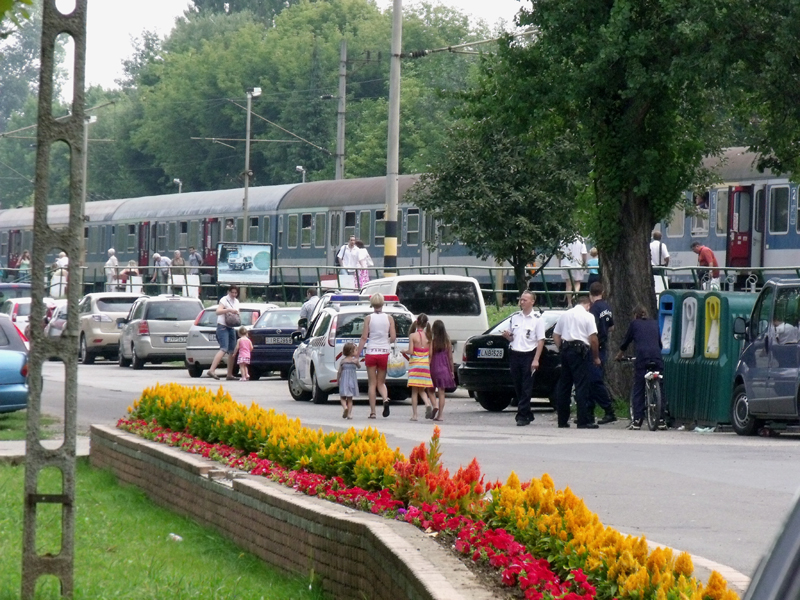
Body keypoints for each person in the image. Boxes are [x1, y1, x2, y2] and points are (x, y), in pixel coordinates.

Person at [615, 305, 666, 430]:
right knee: (661, 385)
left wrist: (619, 356)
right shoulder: (654, 323)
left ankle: (637, 420)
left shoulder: (634, 324)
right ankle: (661, 419)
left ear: (635, 315)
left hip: (642, 356)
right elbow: (659, 343)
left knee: (639, 386)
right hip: (656, 356)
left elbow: (625, 342)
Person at [553, 294, 601, 429]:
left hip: (566, 350)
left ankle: (562, 420)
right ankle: (583, 420)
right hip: (580, 352)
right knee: (581, 386)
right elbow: (593, 338)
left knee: (564, 386)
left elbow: (556, 335)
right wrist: (596, 356)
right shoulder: (588, 316)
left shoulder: (565, 315)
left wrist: (561, 349)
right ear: (588, 305)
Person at [502, 290, 546, 426]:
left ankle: (521, 415)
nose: (522, 302)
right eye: (521, 299)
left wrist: (536, 359)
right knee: (518, 384)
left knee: (527, 385)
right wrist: (507, 336)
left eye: (525, 300)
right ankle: (527, 413)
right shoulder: (515, 317)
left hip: (529, 353)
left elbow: (540, 340)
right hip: (515, 353)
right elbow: (512, 337)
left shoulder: (537, 319)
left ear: (532, 302)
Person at [355, 293, 396, 419]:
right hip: (384, 353)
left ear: (372, 304)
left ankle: (373, 412)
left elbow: (364, 337)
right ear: (382, 304)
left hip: (371, 352)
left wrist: (357, 354)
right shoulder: (389, 318)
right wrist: (385, 342)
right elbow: (393, 338)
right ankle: (385, 398)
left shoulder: (368, 318)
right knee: (381, 382)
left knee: (372, 383)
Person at [588, 282, 617, 424]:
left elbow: (592, 331)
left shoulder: (593, 309)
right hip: (603, 346)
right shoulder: (606, 307)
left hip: (595, 347)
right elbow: (611, 327)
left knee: (595, 380)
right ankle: (588, 412)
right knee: (591, 380)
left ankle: (608, 410)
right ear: (603, 292)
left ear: (590, 294)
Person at [207, 285, 240, 381]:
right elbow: (218, 311)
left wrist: (236, 314)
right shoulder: (224, 300)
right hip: (222, 327)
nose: (234, 294)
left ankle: (229, 374)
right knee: (224, 348)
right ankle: (212, 370)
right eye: (232, 292)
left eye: (235, 293)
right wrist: (229, 310)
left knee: (232, 351)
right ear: (228, 292)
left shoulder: (236, 301)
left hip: (231, 327)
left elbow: (238, 311)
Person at [407, 313, 435, 421]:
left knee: (414, 391)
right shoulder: (429, 337)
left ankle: (414, 415)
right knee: (422, 389)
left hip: (415, 365)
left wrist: (403, 351)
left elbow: (411, 351)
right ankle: (427, 403)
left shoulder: (412, 336)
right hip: (425, 366)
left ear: (417, 322)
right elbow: (431, 354)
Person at [430, 319, 454, 422]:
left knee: (430, 390)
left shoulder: (433, 342)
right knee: (442, 392)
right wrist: (452, 371)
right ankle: (440, 415)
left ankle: (434, 404)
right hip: (444, 369)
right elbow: (450, 358)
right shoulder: (447, 342)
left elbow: (430, 355)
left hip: (434, 368)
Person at [558, 238, 587, 308]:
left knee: (568, 284)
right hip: (577, 264)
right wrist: (584, 263)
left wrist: (560, 263)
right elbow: (584, 253)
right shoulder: (580, 240)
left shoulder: (563, 240)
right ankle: (575, 294)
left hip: (565, 264)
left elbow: (559, 253)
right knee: (577, 282)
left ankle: (569, 303)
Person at [337, 342, 359, 419]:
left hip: (344, 381)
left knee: (342, 397)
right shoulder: (354, 361)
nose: (357, 351)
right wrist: (357, 362)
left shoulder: (343, 361)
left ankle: (345, 408)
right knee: (350, 399)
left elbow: (339, 372)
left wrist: (338, 379)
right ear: (351, 352)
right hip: (352, 381)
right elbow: (359, 366)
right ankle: (349, 414)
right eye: (356, 350)